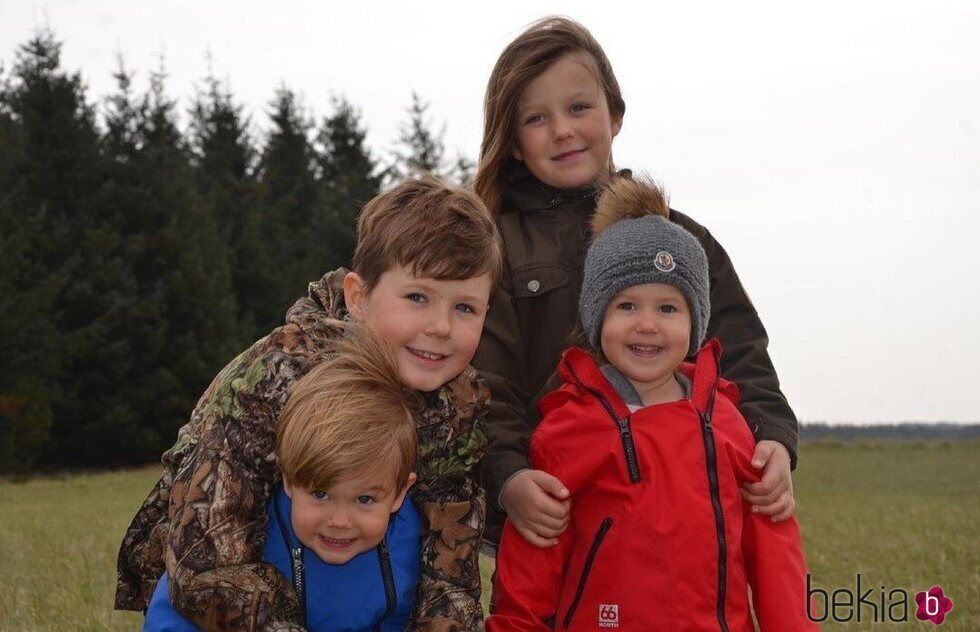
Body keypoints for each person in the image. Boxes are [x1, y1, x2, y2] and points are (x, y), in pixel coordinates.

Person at [116, 177, 502, 631]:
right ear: (359, 297)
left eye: (465, 308)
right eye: (417, 297)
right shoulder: (268, 382)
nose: (441, 326)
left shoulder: (457, 404)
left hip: (354, 582)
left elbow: (450, 573)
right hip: (229, 589)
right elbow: (208, 563)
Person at [472, 16, 799, 551]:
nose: (562, 130)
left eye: (579, 108)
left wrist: (774, 443)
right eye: (536, 118)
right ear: (511, 142)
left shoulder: (682, 240)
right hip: (555, 511)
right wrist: (509, 479)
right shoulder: (494, 246)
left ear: (615, 115)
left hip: (679, 505)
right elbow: (487, 384)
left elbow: (741, 355)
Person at [487, 178, 815, 631]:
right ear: (597, 317)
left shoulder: (729, 424)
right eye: (626, 306)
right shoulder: (566, 428)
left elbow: (776, 555)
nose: (646, 325)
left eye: (668, 308)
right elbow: (531, 565)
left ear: (696, 323)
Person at [144, 329, 422, 631]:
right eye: (320, 494)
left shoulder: (408, 544)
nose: (340, 521)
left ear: (399, 493)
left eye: (364, 499)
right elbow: (177, 612)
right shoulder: (250, 539)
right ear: (287, 478)